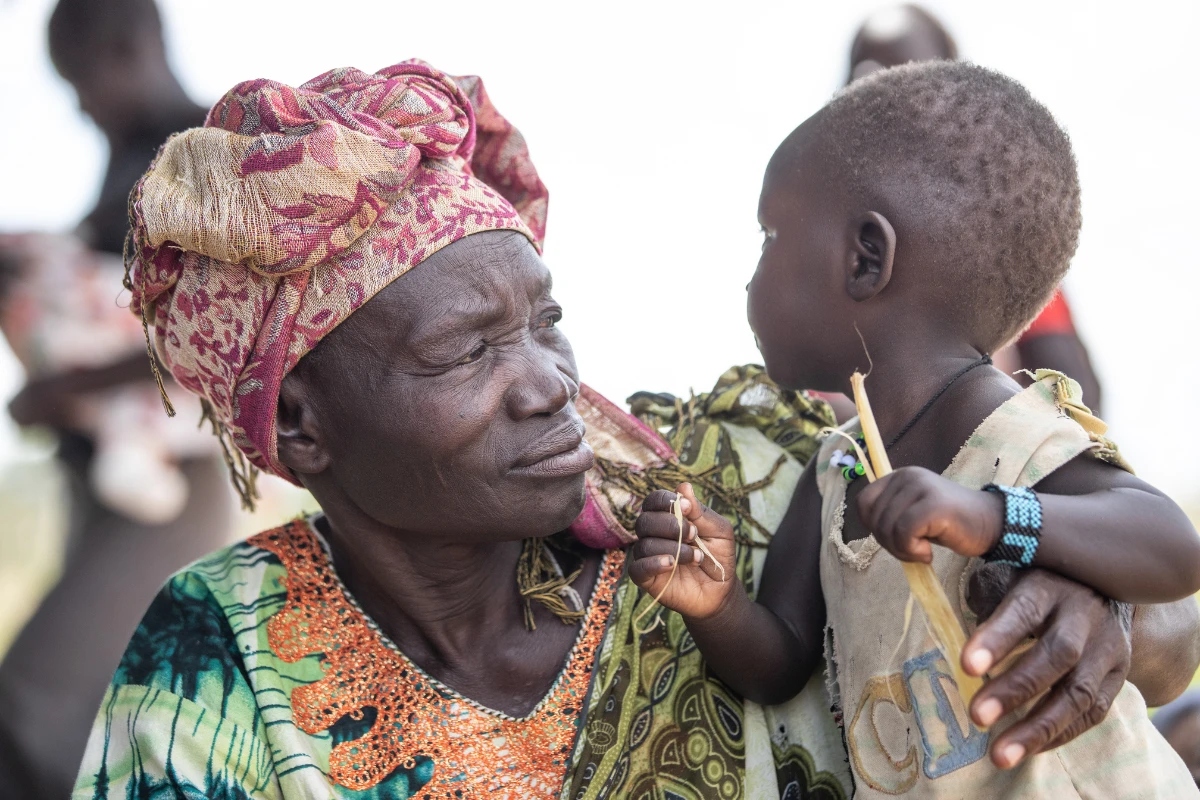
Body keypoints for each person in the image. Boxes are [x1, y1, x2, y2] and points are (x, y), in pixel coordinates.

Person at [69, 60, 1198, 800]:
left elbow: (1118, 557)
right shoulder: (216, 663)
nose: (548, 385)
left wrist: (1060, 569)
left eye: (546, 324)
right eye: (466, 350)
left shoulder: (733, 470)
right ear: (304, 430)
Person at [630, 61, 1200, 796]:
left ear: (866, 258)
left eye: (771, 235)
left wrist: (990, 515)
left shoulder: (1006, 425)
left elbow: (1170, 545)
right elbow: (782, 658)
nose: (752, 276)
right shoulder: (838, 467)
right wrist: (716, 604)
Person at [0, 1, 229, 795]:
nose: (78, 105)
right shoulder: (126, 156)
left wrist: (68, 384)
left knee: (33, 706)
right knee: (99, 719)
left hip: (167, 484)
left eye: (81, 80)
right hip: (102, 479)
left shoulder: (203, 155)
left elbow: (217, 332)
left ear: (131, 46)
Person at [845, 3, 1104, 413]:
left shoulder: (1002, 237)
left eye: (904, 73)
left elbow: (1078, 397)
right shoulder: (830, 235)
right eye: (864, 72)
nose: (874, 86)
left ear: (953, 93)